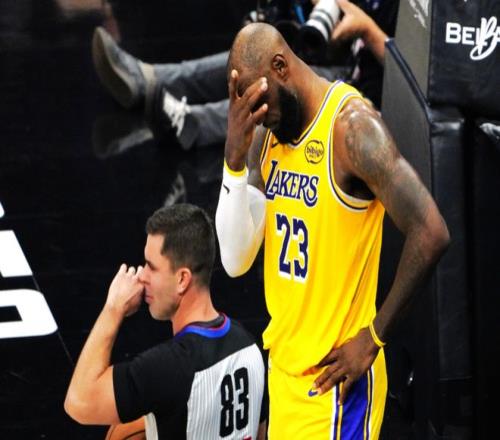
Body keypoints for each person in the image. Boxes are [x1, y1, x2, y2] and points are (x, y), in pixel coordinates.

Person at [215, 22, 449, 438]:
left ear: (281, 67)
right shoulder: (266, 136)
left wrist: (373, 337)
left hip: (337, 387)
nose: (261, 118)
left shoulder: (352, 130)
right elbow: (235, 261)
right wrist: (233, 163)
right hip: (285, 371)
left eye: (262, 103)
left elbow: (430, 232)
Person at [64, 204, 266, 439]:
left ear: (182, 279)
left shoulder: (167, 369)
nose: (141, 275)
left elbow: (79, 402)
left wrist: (113, 308)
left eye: (151, 267)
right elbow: (260, 433)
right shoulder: (250, 347)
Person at [91, 0, 397, 151]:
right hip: (346, 66)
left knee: (280, 77)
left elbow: (412, 74)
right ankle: (151, 79)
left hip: (375, 97)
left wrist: (366, 29)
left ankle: (197, 123)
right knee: (254, 52)